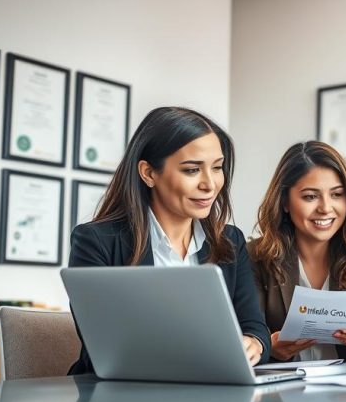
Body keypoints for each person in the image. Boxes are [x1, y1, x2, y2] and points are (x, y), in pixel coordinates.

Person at [67, 106, 268, 375]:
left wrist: (254, 344)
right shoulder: (96, 241)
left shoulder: (230, 241)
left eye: (217, 168)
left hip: (212, 399)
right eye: (192, 170)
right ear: (149, 173)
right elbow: (101, 353)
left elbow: (255, 328)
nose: (210, 184)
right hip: (122, 401)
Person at [249, 141, 346, 362]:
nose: (325, 208)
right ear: (285, 201)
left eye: (336, 194)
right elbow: (245, 334)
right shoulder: (256, 256)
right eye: (310, 197)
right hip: (283, 389)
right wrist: (269, 348)